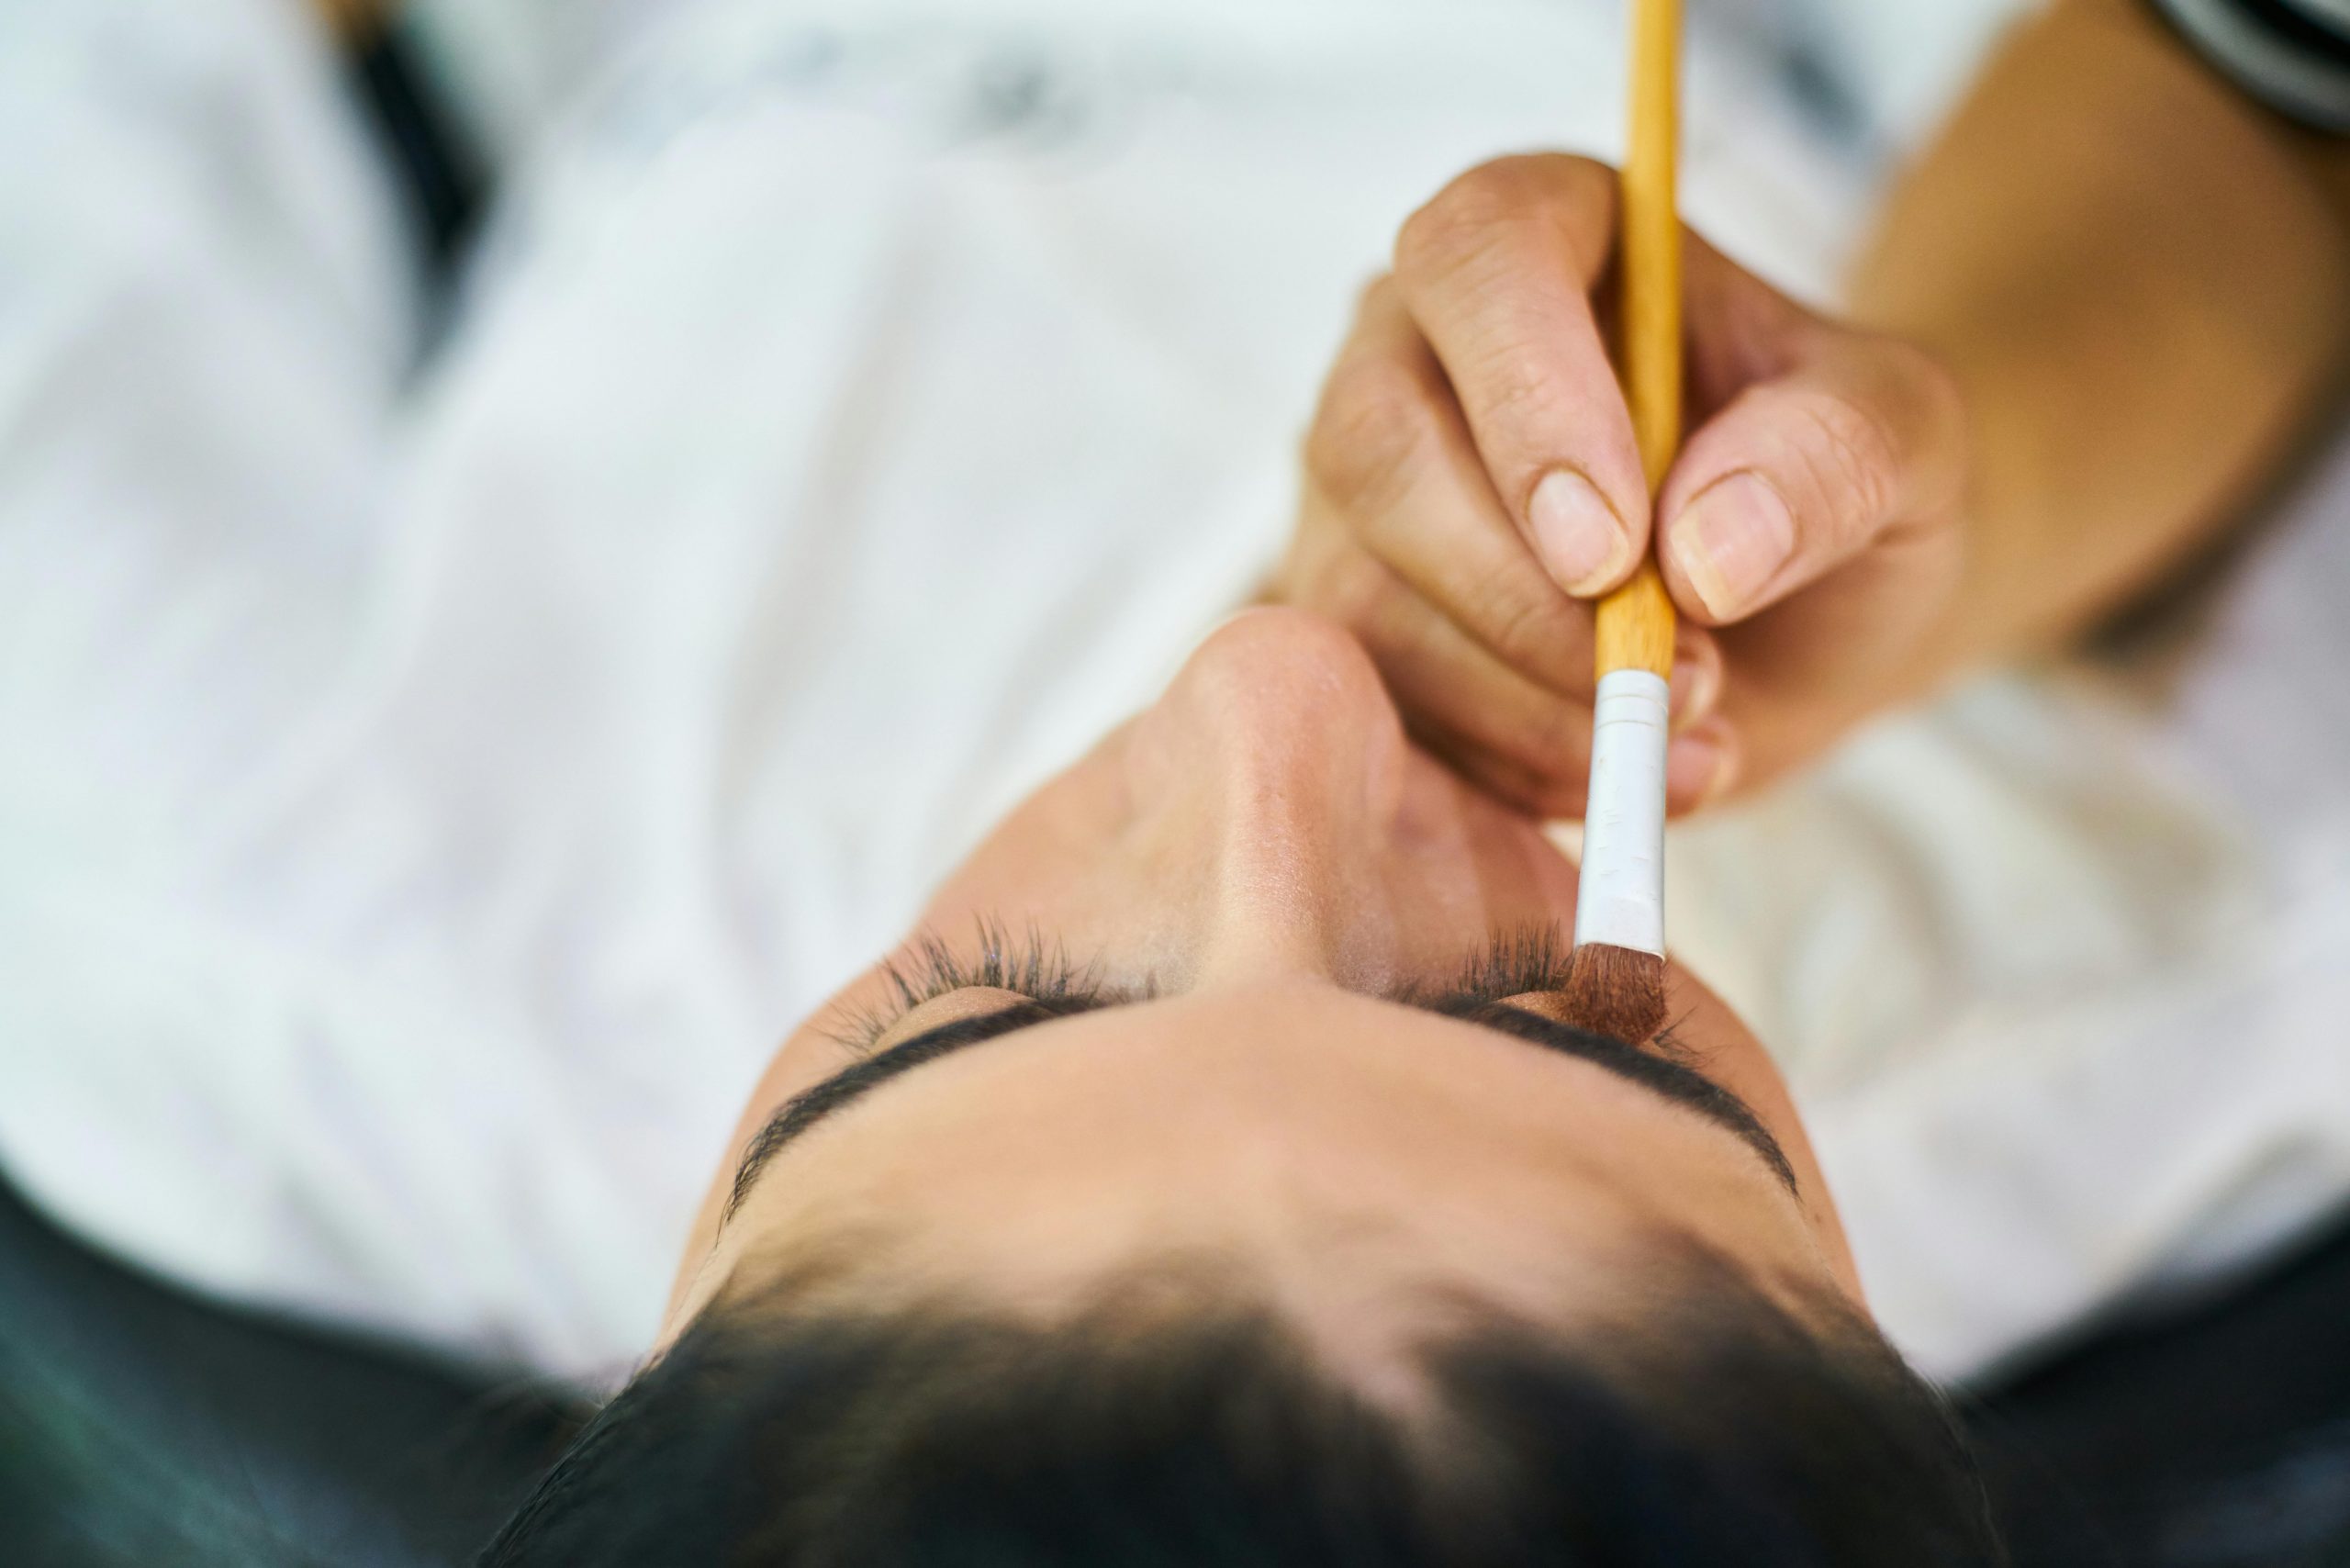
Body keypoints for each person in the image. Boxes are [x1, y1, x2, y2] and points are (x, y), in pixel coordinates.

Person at [0, 0, 2344, 1559]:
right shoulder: (2202, 972)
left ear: (664, 1305)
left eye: (973, 987)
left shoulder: (217, 921)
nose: (1263, 687)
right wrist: (1973, 466)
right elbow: (2250, 95)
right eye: (1548, 999)